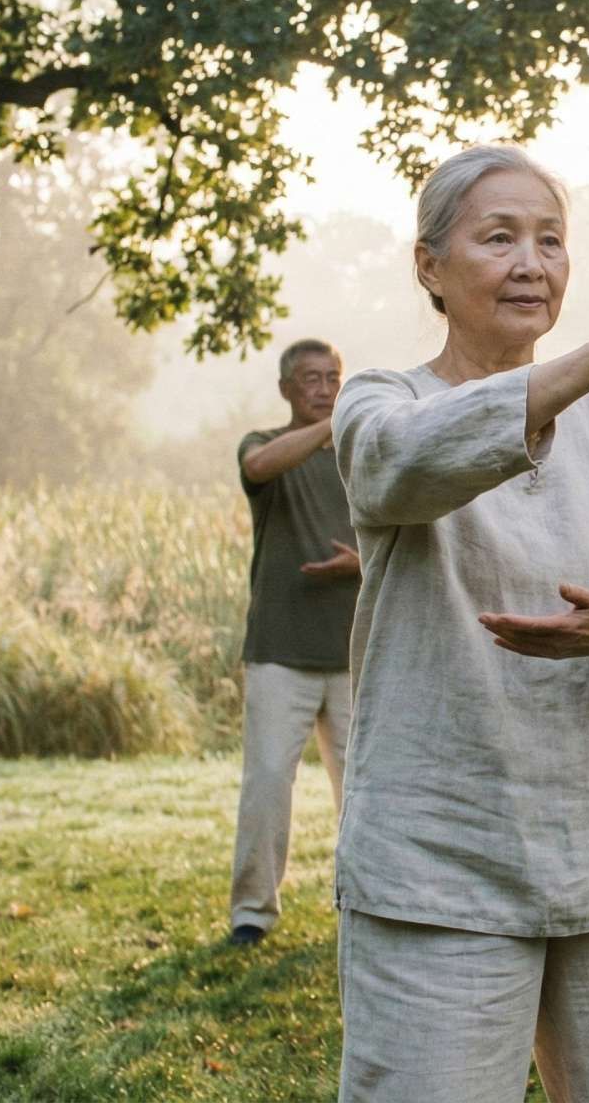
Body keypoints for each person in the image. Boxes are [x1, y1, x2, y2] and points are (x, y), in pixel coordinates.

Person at [330, 144, 589, 1102]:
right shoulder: (382, 403)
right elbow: (404, 467)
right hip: (439, 868)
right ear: (430, 267)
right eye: (501, 238)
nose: (533, 262)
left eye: (552, 240)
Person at [228, 338, 360, 948]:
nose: (324, 387)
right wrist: (333, 425)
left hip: (357, 653)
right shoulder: (264, 446)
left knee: (362, 787)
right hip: (280, 650)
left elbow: (402, 537)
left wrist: (359, 563)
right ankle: (252, 914)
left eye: (334, 377)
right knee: (266, 783)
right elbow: (258, 469)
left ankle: (363, 902)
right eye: (311, 378)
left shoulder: (358, 456)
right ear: (286, 388)